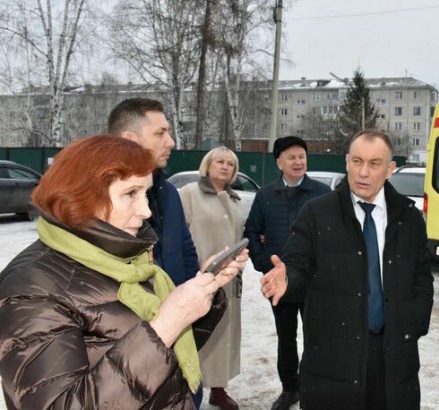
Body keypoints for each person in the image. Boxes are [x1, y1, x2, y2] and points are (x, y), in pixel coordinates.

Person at [0, 135, 248, 409]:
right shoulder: (31, 288)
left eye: (145, 193)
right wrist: (166, 324)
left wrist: (204, 291)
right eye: (130, 194)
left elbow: (166, 359)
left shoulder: (125, 260)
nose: (145, 211)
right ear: (82, 196)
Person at [260, 129, 434, 410]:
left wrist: (413, 322)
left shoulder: (409, 219)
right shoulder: (317, 213)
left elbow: (422, 277)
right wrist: (287, 279)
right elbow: (298, 265)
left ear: (390, 169)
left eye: (374, 163)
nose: (363, 172)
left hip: (393, 359)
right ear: (346, 161)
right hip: (333, 358)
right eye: (357, 161)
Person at [243, 136, 330, 410]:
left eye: (302, 156)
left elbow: (336, 234)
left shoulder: (322, 193)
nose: (298, 161)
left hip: (315, 282)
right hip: (279, 284)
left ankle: (315, 389)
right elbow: (251, 231)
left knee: (317, 338)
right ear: (279, 162)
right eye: (291, 157)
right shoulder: (265, 195)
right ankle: (290, 389)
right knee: (286, 339)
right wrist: (264, 264)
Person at [180, 147, 249, 410]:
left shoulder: (235, 199)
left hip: (230, 279)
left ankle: (218, 390)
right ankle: (189, 389)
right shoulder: (189, 194)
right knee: (196, 334)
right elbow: (181, 233)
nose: (225, 167)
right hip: (199, 277)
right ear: (207, 165)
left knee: (223, 335)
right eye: (220, 161)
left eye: (231, 164)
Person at [108, 97, 198, 286]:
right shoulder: (99, 198)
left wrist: (190, 293)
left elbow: (186, 251)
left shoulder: (169, 192)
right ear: (129, 140)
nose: (171, 142)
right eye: (160, 133)